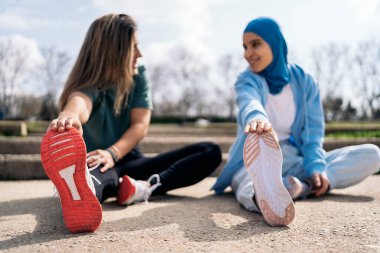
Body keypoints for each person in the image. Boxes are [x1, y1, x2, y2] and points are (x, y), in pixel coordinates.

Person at [40, 13, 222, 234]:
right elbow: (80, 102)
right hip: (96, 163)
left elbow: (140, 125)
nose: (140, 53)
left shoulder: (139, 75)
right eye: (133, 47)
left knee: (209, 151)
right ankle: (80, 190)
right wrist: (69, 117)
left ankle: (142, 189)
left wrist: (113, 152)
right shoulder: (89, 85)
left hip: (131, 160)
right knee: (91, 186)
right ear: (114, 51)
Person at [212, 17, 380, 227]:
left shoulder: (305, 81)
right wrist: (257, 118)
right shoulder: (247, 79)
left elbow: (313, 133)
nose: (247, 54)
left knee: (372, 154)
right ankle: (264, 196)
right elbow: (249, 101)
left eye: (255, 44)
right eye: (245, 47)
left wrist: (317, 167)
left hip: (292, 159)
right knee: (246, 180)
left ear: (275, 43)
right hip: (255, 159)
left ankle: (301, 186)